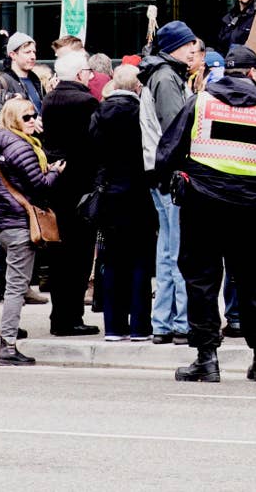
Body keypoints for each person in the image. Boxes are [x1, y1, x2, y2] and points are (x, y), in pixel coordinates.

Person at [157, 41, 256, 382]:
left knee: (202, 281)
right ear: (252, 73)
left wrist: (165, 181)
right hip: (253, 208)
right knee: (254, 282)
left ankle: (207, 359)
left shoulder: (201, 102)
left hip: (203, 204)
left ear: (222, 72)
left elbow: (169, 148)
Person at [138, 22, 202, 344]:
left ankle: (163, 323)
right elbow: (178, 128)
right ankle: (179, 323)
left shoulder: (164, 75)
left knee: (167, 251)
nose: (194, 48)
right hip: (171, 173)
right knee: (178, 251)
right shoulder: (166, 78)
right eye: (188, 43)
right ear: (173, 47)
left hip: (160, 174)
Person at [0, 95, 60, 367]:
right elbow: (40, 186)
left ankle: (10, 335)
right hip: (17, 222)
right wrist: (55, 172)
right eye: (26, 117)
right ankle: (7, 345)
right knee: (17, 287)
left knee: (14, 283)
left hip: (4, 221)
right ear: (13, 119)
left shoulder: (2, 142)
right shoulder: (20, 147)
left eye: (34, 115)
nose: (32, 121)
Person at [89, 62, 157, 342]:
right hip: (139, 194)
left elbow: (93, 152)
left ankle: (114, 326)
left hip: (110, 196)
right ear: (137, 87)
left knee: (113, 260)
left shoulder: (99, 113)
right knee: (141, 260)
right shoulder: (141, 112)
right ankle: (140, 325)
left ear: (114, 86)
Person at [39, 51, 99, 338]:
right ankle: (71, 317)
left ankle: (60, 315)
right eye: (88, 71)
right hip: (80, 187)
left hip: (56, 185)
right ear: (78, 74)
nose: (90, 75)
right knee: (78, 255)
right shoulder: (86, 101)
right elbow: (93, 143)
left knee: (59, 256)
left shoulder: (50, 99)